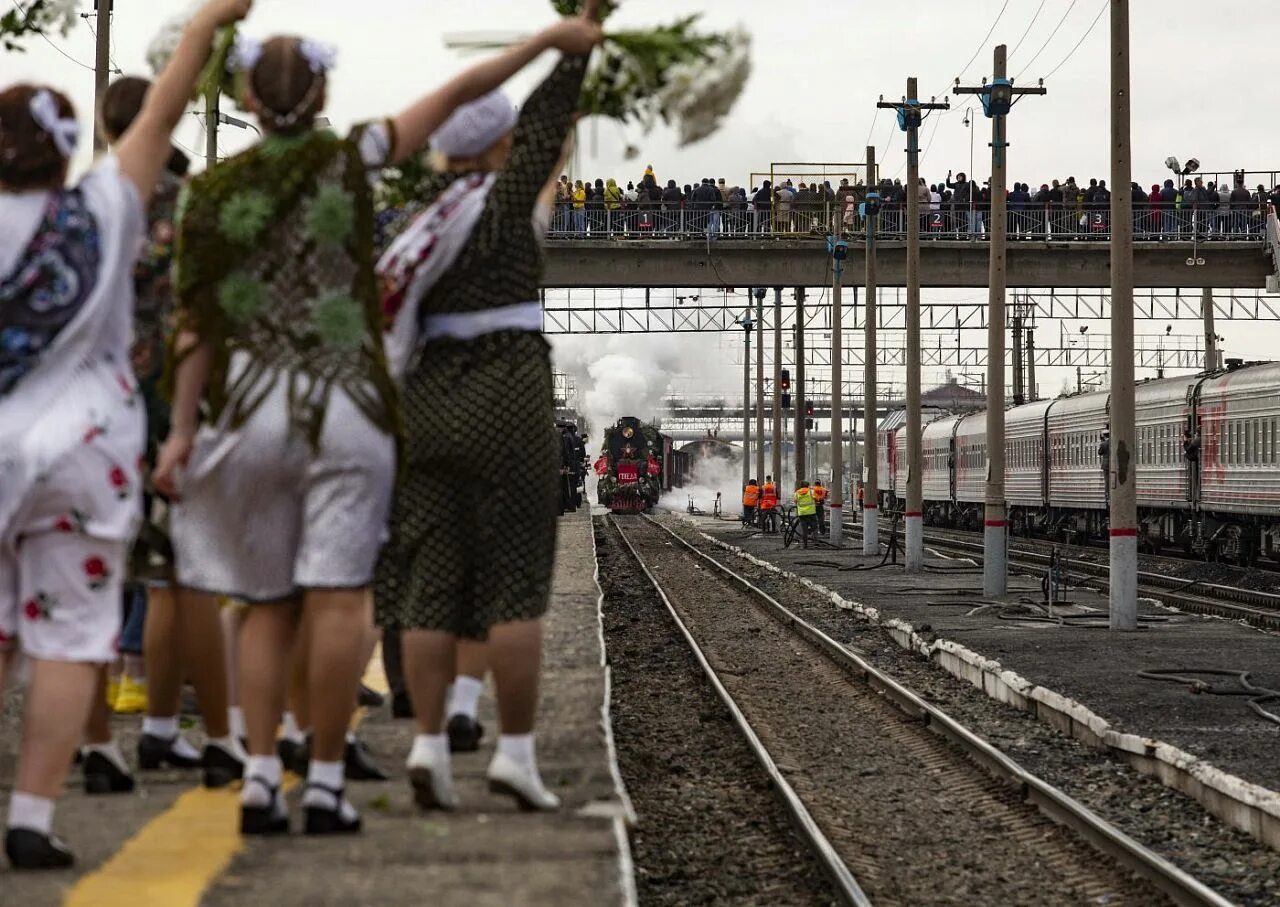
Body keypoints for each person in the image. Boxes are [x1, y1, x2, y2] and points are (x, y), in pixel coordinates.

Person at [158, 23, 595, 839]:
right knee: (339, 598)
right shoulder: (352, 157)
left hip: (251, 407)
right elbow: (464, 96)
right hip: (342, 406)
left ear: (248, 102)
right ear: (321, 96)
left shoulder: (212, 196)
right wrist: (553, 39)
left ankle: (259, 775)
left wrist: (183, 429)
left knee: (260, 604)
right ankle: (325, 782)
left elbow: (194, 323)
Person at [0, 0, 254, 869]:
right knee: (87, 625)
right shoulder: (112, 206)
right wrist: (211, 22)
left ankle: (86, 757)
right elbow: (168, 108)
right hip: (101, 444)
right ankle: (36, 812)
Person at [375, 3, 603, 815]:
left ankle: (431, 744)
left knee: (433, 579)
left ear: (442, 148)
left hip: (428, 399)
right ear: (499, 147)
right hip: (507, 394)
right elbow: (550, 120)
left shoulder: (417, 220)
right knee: (513, 582)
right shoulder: (507, 210)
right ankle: (512, 752)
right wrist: (577, 46)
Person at [794, 481, 818, 548]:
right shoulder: (811, 491)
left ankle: (805, 545)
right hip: (811, 513)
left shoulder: (797, 493)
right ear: (808, 485)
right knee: (815, 527)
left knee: (804, 530)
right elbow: (816, 498)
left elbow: (795, 501)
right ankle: (815, 542)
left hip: (802, 514)